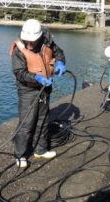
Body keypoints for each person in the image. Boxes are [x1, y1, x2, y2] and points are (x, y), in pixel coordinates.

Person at [10, 19, 66, 168]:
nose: (29, 44)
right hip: (28, 90)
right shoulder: (18, 50)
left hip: (45, 89)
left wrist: (60, 62)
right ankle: (20, 155)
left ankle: (40, 150)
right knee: (27, 123)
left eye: (32, 41)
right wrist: (36, 77)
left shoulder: (47, 41)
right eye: (27, 41)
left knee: (43, 119)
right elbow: (19, 73)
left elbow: (59, 52)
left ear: (40, 36)